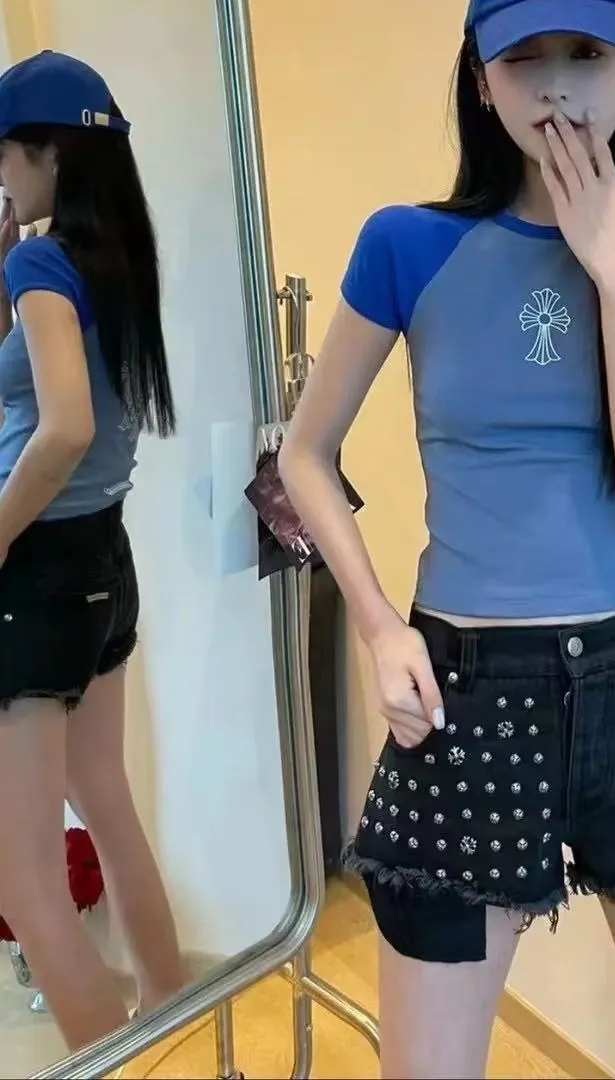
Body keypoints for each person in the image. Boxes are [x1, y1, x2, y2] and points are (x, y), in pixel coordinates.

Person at [280, 1, 615, 1075]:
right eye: (524, 57)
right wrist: (378, 628)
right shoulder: (408, 246)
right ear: (480, 80)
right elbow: (306, 454)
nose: (556, 86)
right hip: (465, 692)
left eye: (585, 54)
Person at [0, 51, 185, 1051]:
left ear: (50, 155)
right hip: (104, 558)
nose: (1, 177)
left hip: (35, 572)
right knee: (104, 799)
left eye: (5, 156)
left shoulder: (43, 265)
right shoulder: (112, 259)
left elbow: (62, 425)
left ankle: (106, 1060)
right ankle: (171, 1019)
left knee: (23, 880)